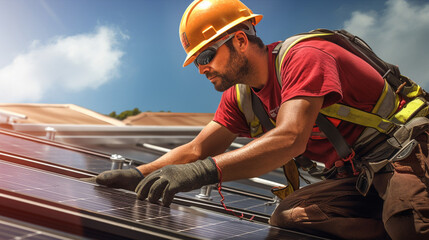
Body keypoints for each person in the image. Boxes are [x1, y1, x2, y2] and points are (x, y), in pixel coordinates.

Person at [93, 0, 429, 239]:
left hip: (408, 152)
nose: (202, 69)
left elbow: (290, 138)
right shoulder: (242, 97)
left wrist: (198, 175)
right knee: (291, 219)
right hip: (362, 176)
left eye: (207, 56)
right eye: (196, 61)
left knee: (409, 225)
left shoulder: (303, 58)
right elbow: (197, 149)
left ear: (240, 40)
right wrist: (137, 174)